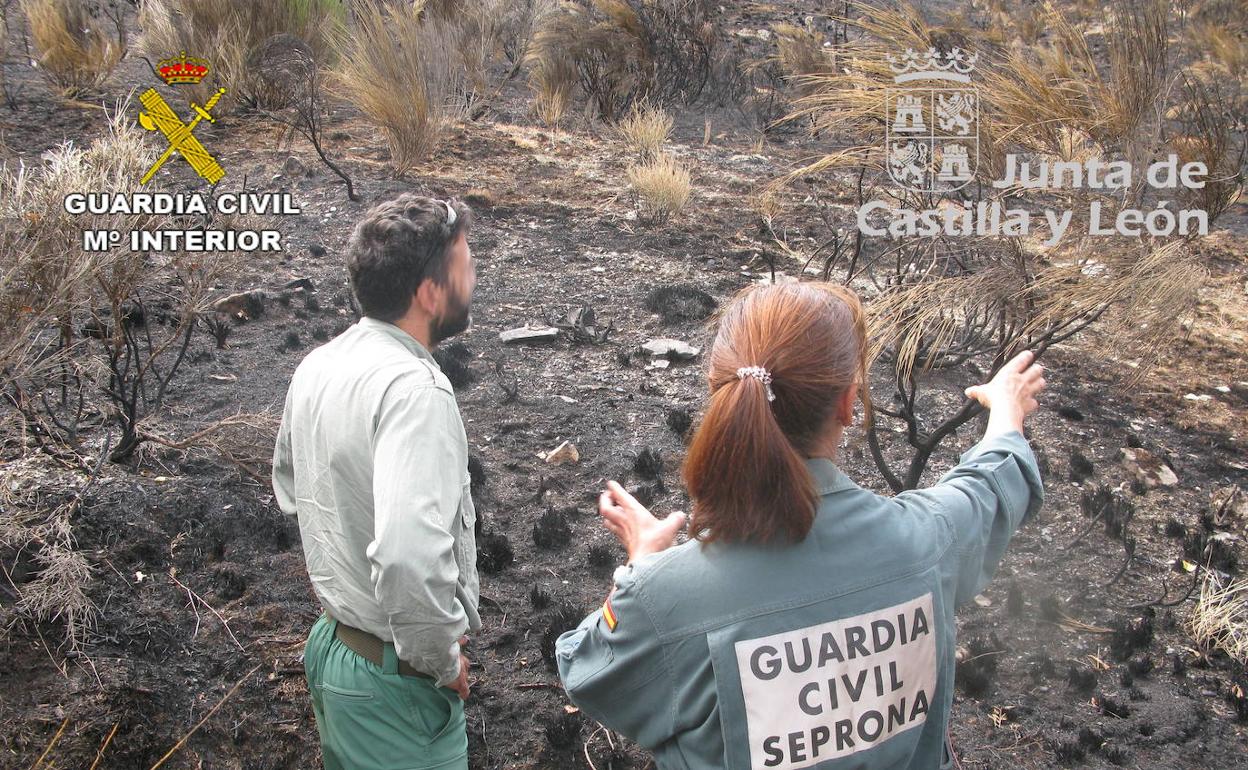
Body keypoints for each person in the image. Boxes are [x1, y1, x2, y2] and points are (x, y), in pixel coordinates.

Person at [556, 282, 1045, 770]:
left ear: (718, 392)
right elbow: (991, 486)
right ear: (848, 404)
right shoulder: (930, 540)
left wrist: (642, 565)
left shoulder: (663, 598)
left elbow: (585, 670)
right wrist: (1007, 409)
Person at [272, 194, 480, 770]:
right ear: (429, 293)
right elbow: (409, 558)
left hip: (336, 649)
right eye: (465, 266)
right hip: (395, 687)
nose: (474, 277)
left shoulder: (319, 363)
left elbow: (292, 488)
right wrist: (442, 662)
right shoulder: (416, 391)